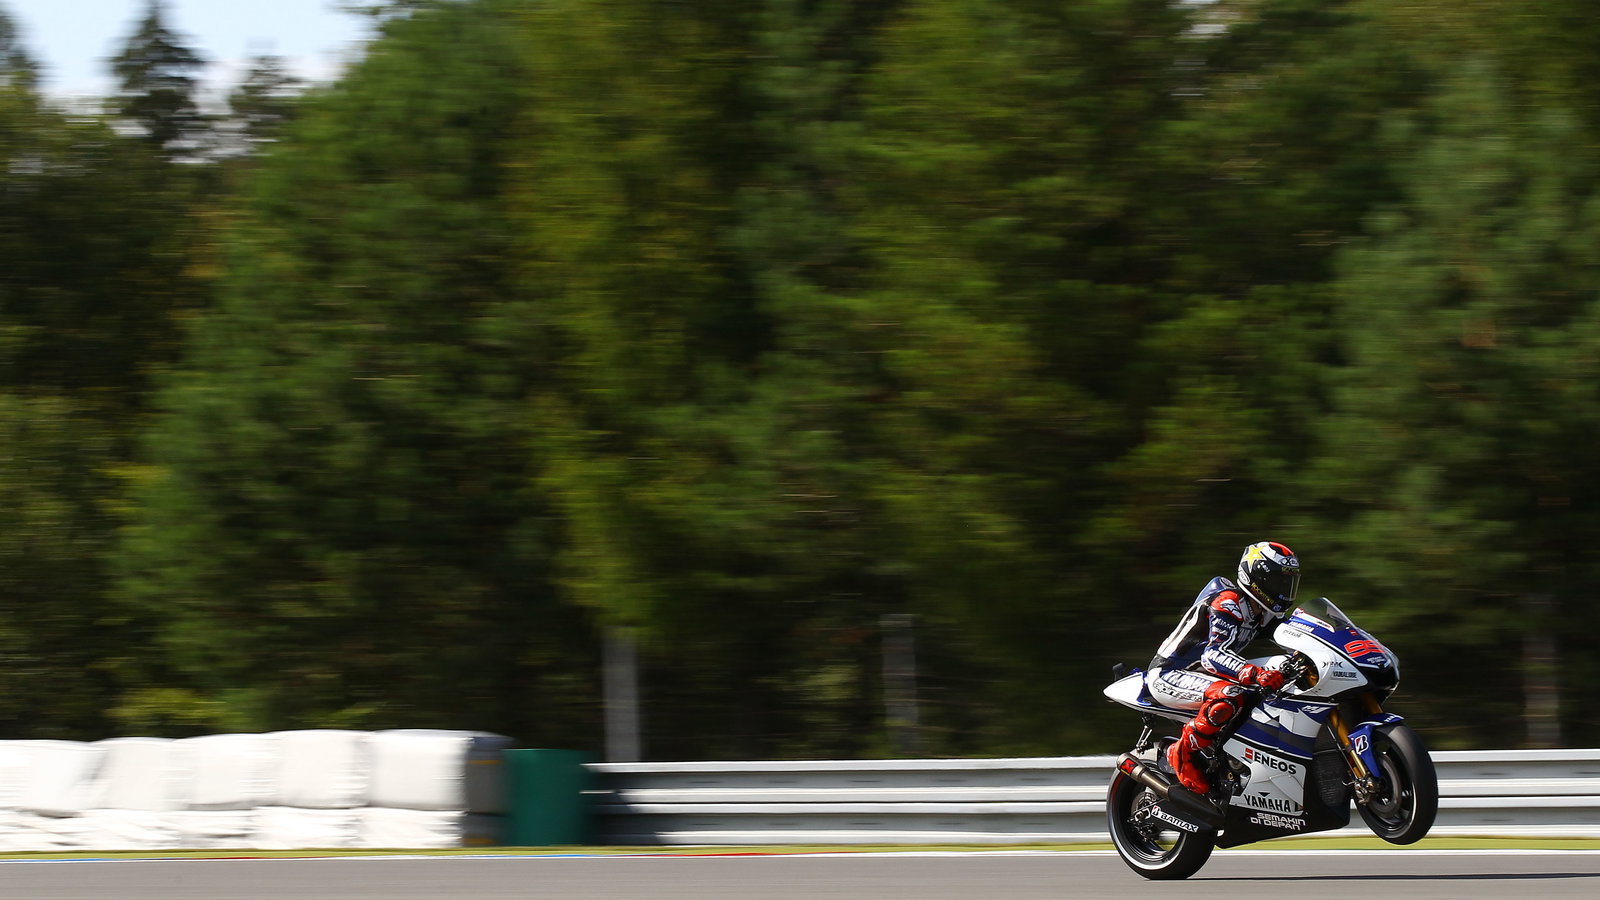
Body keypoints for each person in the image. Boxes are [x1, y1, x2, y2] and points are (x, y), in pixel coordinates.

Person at [1145, 541, 1301, 794]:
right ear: (1256, 577)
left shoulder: (1266, 612)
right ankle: (1180, 754)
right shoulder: (1228, 602)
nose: (1284, 589)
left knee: (1279, 681)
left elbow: (1292, 641)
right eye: (1277, 581)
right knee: (1230, 696)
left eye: (1289, 582)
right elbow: (1213, 655)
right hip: (1170, 673)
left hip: (1204, 675)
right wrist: (1256, 673)